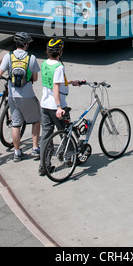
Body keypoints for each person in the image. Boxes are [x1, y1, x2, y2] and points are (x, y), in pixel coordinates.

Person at [0, 32, 41, 162]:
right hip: (27, 95)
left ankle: (17, 152)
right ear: (26, 45)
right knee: (36, 120)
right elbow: (35, 79)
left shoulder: (8, 57)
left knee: (16, 124)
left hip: (12, 96)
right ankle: (35, 149)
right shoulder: (31, 58)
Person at [39, 38, 80, 176]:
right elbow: (55, 87)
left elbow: (54, 81)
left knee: (45, 136)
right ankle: (69, 159)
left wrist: (72, 82)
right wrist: (59, 107)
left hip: (44, 105)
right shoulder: (59, 66)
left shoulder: (45, 63)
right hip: (56, 106)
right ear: (60, 52)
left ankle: (44, 166)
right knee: (65, 133)